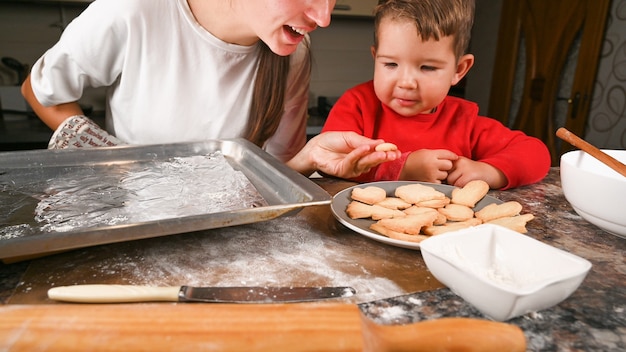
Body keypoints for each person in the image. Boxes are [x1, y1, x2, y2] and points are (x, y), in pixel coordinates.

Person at [21, 0, 400, 179]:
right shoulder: (134, 11)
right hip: (131, 222)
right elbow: (40, 91)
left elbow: (275, 174)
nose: (324, 17)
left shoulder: (292, 53)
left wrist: (312, 158)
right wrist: (111, 158)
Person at [321, 0, 551, 189]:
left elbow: (536, 154)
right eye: (391, 64)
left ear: (459, 70)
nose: (407, 82)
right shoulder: (358, 105)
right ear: (375, 57)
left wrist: (489, 172)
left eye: (427, 68)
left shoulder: (463, 120)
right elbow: (331, 163)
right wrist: (405, 167)